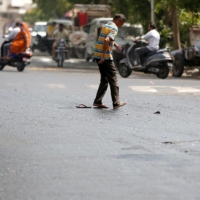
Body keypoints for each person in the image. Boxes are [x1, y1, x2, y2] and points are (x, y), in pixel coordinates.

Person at [93, 14, 127, 109]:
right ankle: (116, 102)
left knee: (104, 79)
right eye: (122, 23)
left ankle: (97, 101)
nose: (121, 25)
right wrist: (103, 56)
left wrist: (115, 44)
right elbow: (106, 39)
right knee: (113, 78)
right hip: (105, 57)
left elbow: (106, 38)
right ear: (118, 20)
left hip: (97, 54)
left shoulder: (106, 25)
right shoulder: (114, 28)